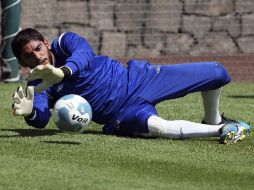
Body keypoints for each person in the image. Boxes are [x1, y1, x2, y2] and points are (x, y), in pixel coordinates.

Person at [11, 28, 251, 144]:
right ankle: (221, 131)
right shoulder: (38, 83)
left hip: (138, 79)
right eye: (28, 56)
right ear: (23, 63)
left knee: (217, 72)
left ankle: (213, 119)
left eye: (38, 49)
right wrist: (31, 112)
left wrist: (63, 72)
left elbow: (84, 53)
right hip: (121, 114)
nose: (37, 57)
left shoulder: (63, 42)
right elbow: (41, 118)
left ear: (46, 43)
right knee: (157, 127)